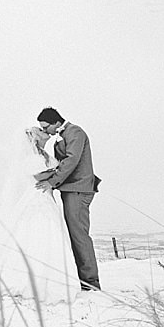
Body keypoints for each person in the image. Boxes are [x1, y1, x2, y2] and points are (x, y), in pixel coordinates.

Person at [0, 123, 80, 304]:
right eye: (40, 131)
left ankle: (51, 279)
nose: (44, 132)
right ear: (34, 138)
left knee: (49, 236)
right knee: (35, 234)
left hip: (47, 197)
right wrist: (59, 171)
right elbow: (38, 176)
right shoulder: (30, 157)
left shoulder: (46, 155)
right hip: (37, 198)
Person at [33, 107, 102, 291]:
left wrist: (52, 182)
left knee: (79, 236)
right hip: (70, 189)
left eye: (46, 126)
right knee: (74, 235)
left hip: (78, 190)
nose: (45, 130)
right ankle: (83, 280)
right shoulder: (62, 135)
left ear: (56, 122)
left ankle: (91, 283)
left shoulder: (75, 132)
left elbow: (71, 161)